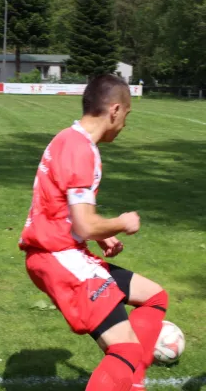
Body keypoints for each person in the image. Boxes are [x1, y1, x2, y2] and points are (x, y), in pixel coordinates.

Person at [18, 74, 168, 391]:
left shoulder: (67, 139)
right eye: (127, 116)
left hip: (61, 253)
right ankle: (126, 376)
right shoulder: (82, 150)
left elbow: (62, 207)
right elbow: (85, 223)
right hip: (59, 258)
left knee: (154, 297)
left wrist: (99, 235)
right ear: (114, 110)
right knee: (125, 348)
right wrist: (121, 222)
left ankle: (131, 382)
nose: (125, 125)